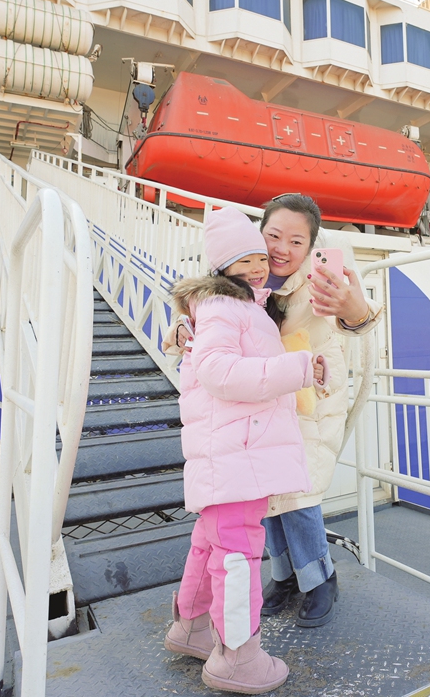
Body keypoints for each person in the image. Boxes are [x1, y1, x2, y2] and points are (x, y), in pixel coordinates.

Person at [165, 194, 383, 629]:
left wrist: (355, 309)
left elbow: (359, 320)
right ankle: (284, 577)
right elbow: (204, 327)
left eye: (297, 241)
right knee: (268, 499)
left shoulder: (321, 279)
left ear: (310, 246)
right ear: (257, 235)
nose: (282, 249)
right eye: (274, 236)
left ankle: (320, 578)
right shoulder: (239, 277)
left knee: (300, 500)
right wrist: (181, 330)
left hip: (310, 403)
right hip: (262, 404)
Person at [164, 206, 326, 694]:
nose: (259, 266)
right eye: (246, 259)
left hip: (233, 450)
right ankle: (238, 656)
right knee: (237, 552)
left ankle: (191, 627)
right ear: (222, 267)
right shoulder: (229, 308)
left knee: (212, 540)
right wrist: (296, 369)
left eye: (261, 256)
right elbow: (218, 371)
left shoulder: (233, 307)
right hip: (237, 451)